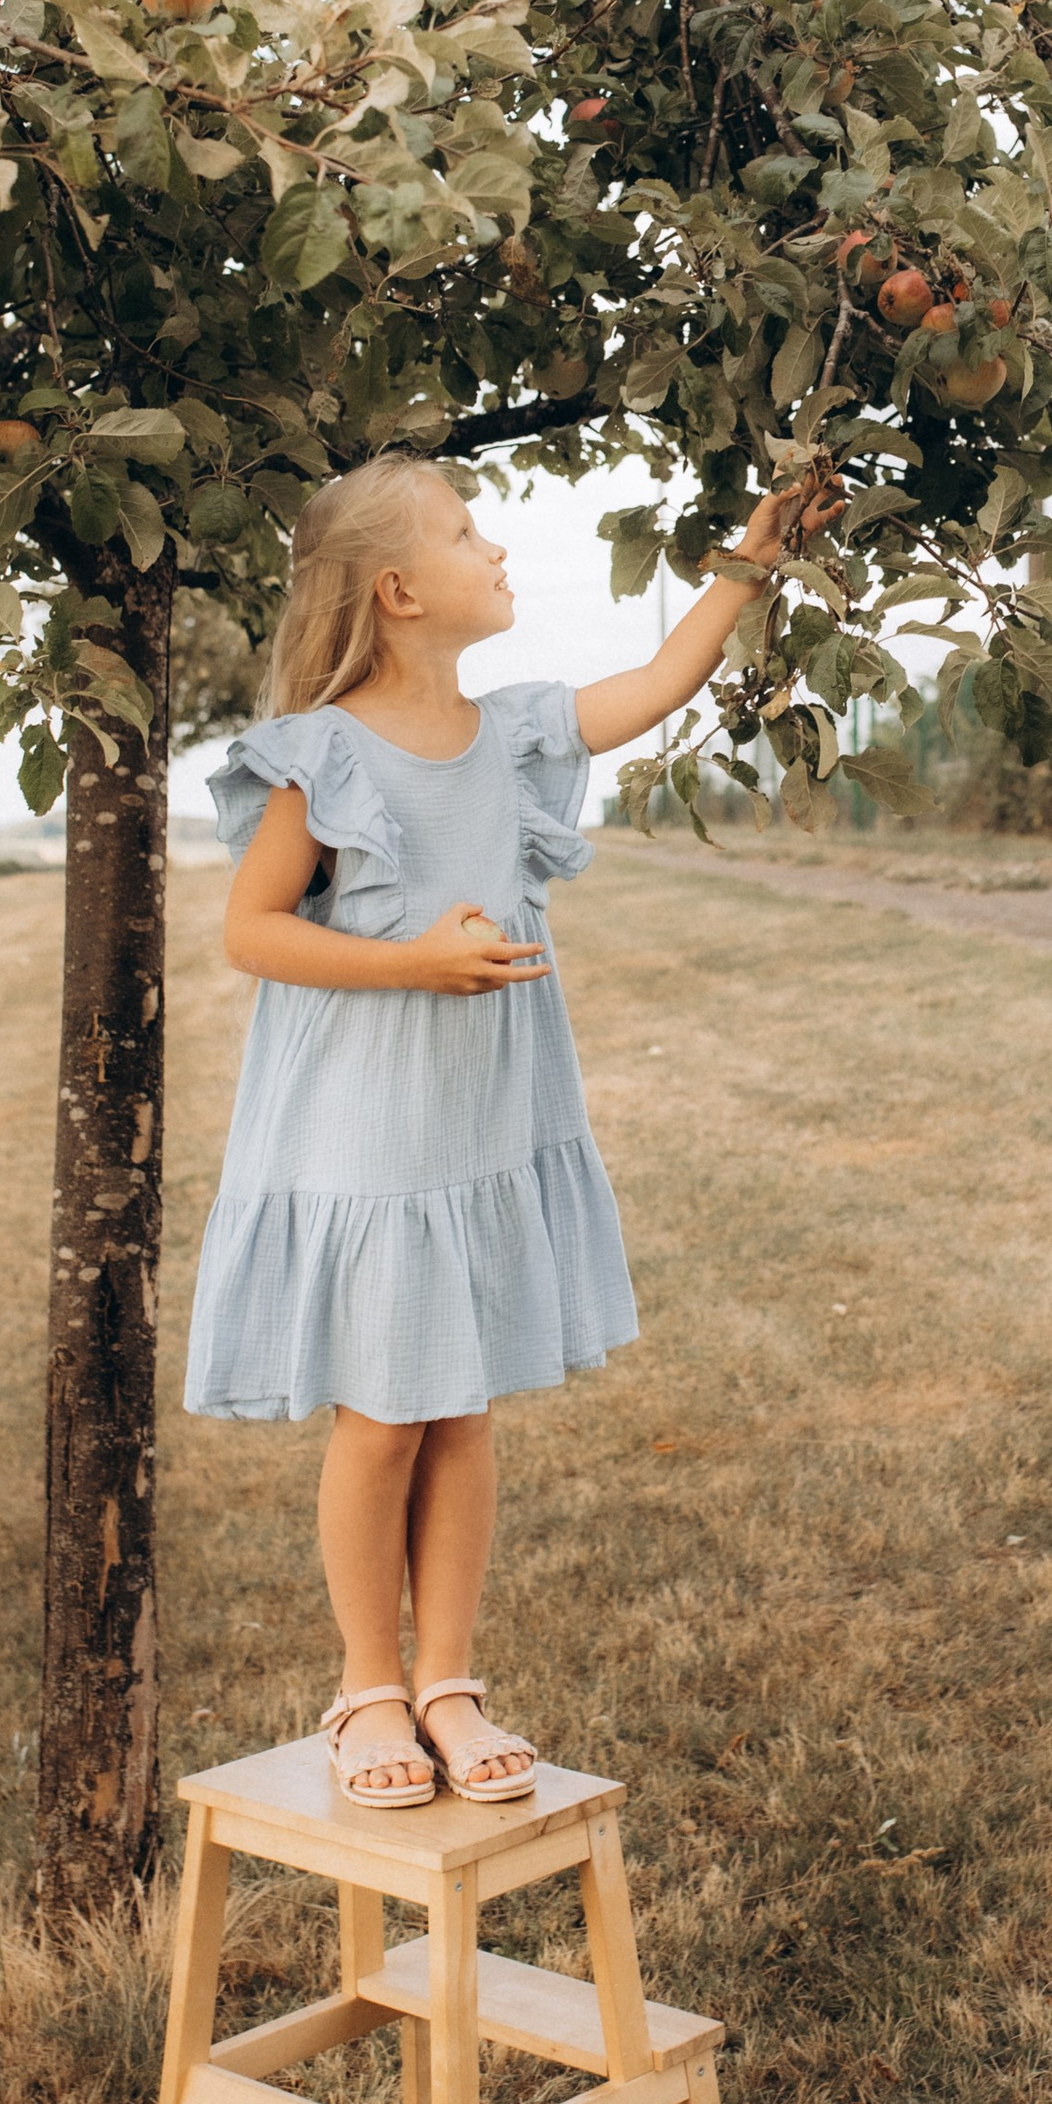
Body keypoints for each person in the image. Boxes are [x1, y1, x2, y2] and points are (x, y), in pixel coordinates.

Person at [185, 452, 827, 1809]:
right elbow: (251, 931)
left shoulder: (515, 735)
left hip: (478, 1125)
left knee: (459, 1407)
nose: (500, 555)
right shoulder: (324, 755)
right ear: (403, 590)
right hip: (370, 1131)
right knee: (381, 1418)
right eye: (472, 536)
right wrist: (413, 960)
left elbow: (658, 689)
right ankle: (369, 1685)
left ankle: (451, 1681)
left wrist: (751, 560)